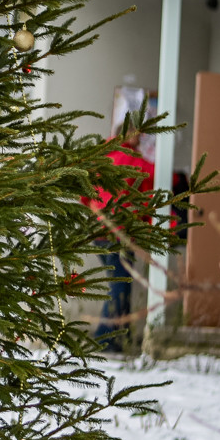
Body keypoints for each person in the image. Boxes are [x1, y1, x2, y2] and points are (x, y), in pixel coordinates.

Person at [87, 129, 155, 351]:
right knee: (120, 287)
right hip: (119, 233)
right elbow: (156, 176)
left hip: (99, 231)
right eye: (138, 134)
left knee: (117, 284)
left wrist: (97, 212)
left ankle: (112, 339)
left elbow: (85, 193)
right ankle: (106, 341)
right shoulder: (131, 159)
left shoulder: (102, 155)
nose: (141, 137)